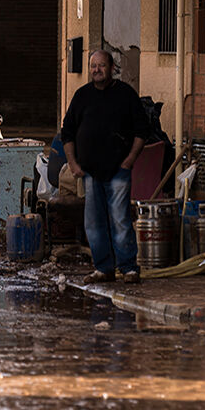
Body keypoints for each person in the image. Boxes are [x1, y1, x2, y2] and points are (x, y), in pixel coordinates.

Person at [60, 49, 149, 285]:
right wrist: (73, 163)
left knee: (120, 220)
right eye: (93, 66)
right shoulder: (82, 96)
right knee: (93, 223)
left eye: (101, 65)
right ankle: (103, 269)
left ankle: (128, 269)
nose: (97, 70)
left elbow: (142, 131)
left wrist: (129, 160)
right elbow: (67, 132)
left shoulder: (126, 95)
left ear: (112, 68)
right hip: (90, 172)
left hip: (118, 170)